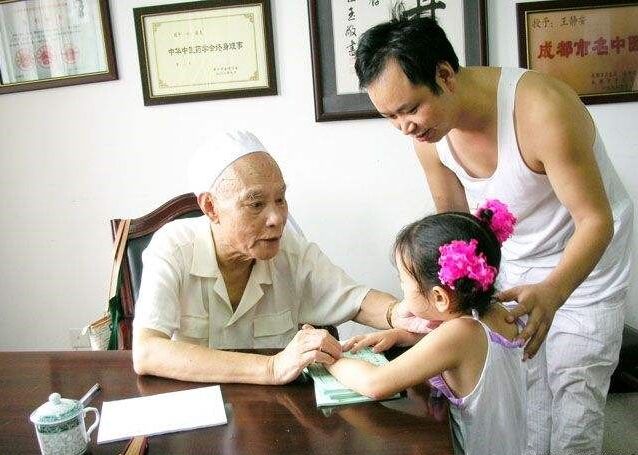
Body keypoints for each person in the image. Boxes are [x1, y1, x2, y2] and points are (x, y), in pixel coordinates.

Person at [354, 14, 633, 455]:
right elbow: (454, 239)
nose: (405, 126)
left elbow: (596, 221)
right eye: (390, 116)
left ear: (445, 75)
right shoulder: (428, 138)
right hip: (516, 261)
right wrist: (423, 328)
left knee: (574, 396)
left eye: (410, 108)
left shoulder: (541, 109)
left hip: (587, 267)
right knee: (526, 394)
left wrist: (554, 291)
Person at [132, 130, 417, 385]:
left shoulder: (291, 251)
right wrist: (271, 367)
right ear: (211, 207)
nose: (277, 218)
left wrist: (397, 313)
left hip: (275, 412)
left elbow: (356, 300)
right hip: (196, 406)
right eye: (256, 204)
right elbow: (147, 352)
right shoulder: (173, 248)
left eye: (280, 199)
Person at [327, 200, 526, 455]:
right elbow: (468, 355)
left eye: (403, 281)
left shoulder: (459, 333)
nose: (401, 287)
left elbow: (375, 383)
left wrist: (331, 358)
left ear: (439, 298)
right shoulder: (497, 312)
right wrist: (404, 336)